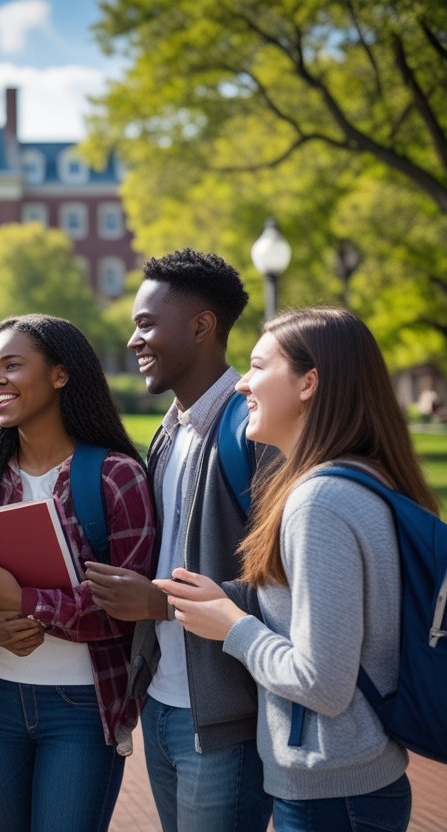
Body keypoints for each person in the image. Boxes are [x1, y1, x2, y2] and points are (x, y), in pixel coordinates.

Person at [160, 307, 426, 832]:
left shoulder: (319, 502)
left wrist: (232, 627)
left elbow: (321, 683)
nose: (242, 386)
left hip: (334, 794)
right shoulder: (353, 478)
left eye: (258, 368)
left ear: (309, 382)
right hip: (347, 784)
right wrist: (229, 599)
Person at [0, 314, 156, 832]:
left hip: (82, 707)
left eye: (12, 365)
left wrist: (26, 602)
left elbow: (127, 611)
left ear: (60, 375)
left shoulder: (116, 477)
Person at [83, 248, 272, 832]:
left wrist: (159, 602)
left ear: (200, 326)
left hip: (225, 717)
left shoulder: (255, 431)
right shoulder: (169, 433)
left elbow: (290, 587)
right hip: (164, 704)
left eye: (146, 324)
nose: (135, 340)